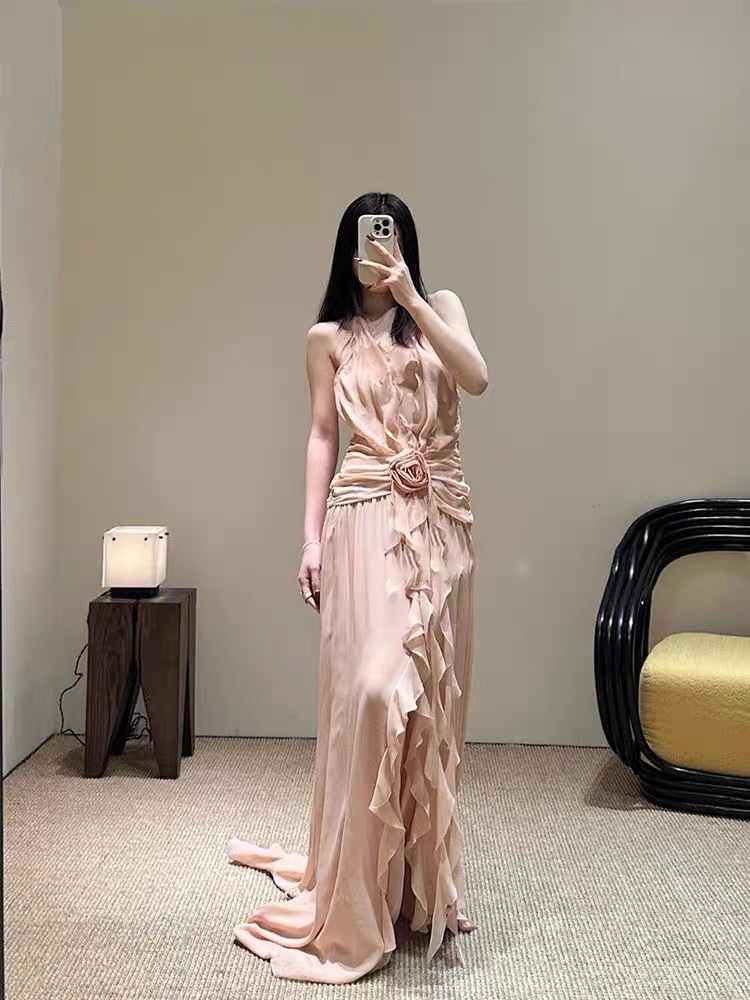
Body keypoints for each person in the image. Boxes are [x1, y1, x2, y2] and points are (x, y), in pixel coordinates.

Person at [228, 192, 488, 983]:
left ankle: (418, 888)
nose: (380, 248)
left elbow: (477, 379)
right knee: (373, 691)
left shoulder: (441, 308)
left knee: (431, 701)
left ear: (407, 245)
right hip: (364, 515)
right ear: (348, 249)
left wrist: (411, 296)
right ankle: (355, 893)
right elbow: (321, 434)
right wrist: (308, 539)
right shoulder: (328, 339)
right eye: (370, 237)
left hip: (439, 521)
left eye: (394, 236)